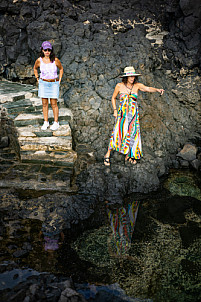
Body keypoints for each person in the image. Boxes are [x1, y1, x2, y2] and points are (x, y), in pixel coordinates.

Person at [104, 66, 164, 166]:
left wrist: (157, 90)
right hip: (122, 115)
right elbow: (113, 98)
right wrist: (115, 110)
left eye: (133, 76)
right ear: (126, 77)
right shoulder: (119, 86)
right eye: (130, 76)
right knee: (117, 133)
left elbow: (148, 88)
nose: (132, 78)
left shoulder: (137, 86)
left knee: (132, 134)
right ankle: (107, 154)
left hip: (133, 116)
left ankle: (128, 155)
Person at [33, 41, 63, 130]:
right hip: (43, 83)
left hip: (53, 83)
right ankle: (46, 122)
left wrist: (59, 81)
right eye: (45, 49)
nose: (47, 51)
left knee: (54, 104)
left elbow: (61, 69)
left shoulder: (55, 60)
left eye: (49, 50)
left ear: (51, 51)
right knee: (44, 104)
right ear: (42, 50)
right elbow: (35, 68)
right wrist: (37, 78)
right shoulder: (39, 60)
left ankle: (56, 122)